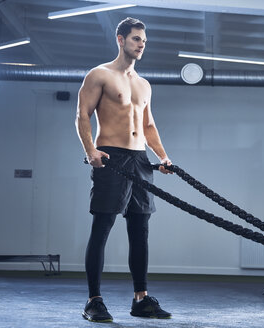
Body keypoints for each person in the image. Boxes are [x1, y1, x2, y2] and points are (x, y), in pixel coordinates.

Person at [75, 17, 173, 323]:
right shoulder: (99, 74)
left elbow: (149, 125)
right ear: (120, 40)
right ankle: (94, 300)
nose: (141, 44)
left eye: (143, 40)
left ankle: (140, 300)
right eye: (135, 39)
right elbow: (81, 114)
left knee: (140, 231)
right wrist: (90, 151)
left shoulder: (143, 84)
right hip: (111, 157)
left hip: (140, 160)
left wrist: (164, 156)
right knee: (102, 227)